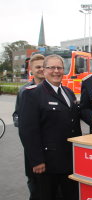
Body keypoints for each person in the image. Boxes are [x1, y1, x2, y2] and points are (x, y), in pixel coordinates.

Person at [19, 54, 81, 200]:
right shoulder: (33, 94)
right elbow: (28, 130)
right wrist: (37, 160)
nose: (56, 71)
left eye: (59, 68)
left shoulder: (68, 92)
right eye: (51, 67)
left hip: (68, 160)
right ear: (44, 71)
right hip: (47, 163)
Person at [13, 54, 45, 200]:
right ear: (31, 69)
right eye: (38, 67)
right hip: (32, 146)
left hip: (51, 147)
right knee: (35, 183)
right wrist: (28, 124)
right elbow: (17, 115)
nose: (41, 69)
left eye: (44, 66)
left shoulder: (55, 88)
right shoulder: (24, 91)